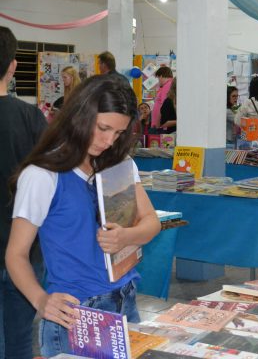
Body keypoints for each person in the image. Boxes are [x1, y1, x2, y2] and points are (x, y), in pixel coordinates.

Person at [5, 74, 161, 357]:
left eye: (118, 133)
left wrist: (127, 236)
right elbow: (15, 254)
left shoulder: (120, 163)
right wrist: (40, 300)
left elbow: (152, 222)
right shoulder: (43, 175)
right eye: (103, 128)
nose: (108, 140)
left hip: (125, 299)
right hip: (77, 312)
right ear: (81, 114)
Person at [0, 25, 47, 359]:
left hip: (22, 249)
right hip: (25, 248)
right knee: (19, 341)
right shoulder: (31, 118)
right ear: (13, 66)